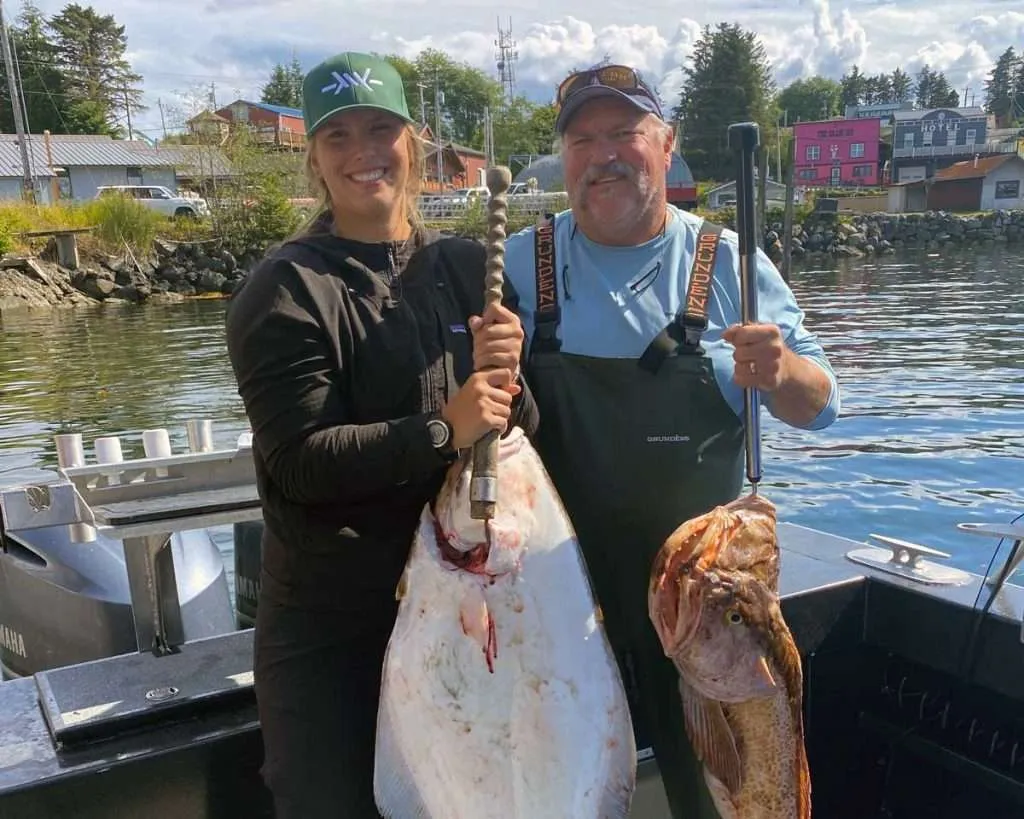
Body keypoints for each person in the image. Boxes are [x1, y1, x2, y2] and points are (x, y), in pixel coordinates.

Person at [498, 64, 840, 818]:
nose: (603, 155)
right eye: (582, 140)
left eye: (625, 133)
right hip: (561, 600)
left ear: (667, 143)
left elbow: (822, 406)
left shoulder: (729, 264)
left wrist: (781, 370)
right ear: (563, 157)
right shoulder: (520, 263)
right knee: (557, 793)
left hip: (703, 609)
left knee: (719, 796)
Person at [223, 51, 537, 819]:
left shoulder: (468, 268)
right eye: (338, 136)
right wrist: (444, 427)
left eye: (380, 129)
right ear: (314, 159)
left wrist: (512, 381)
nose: (362, 151)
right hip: (332, 635)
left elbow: (521, 435)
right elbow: (300, 463)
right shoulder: (285, 290)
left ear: (415, 143)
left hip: (457, 619)